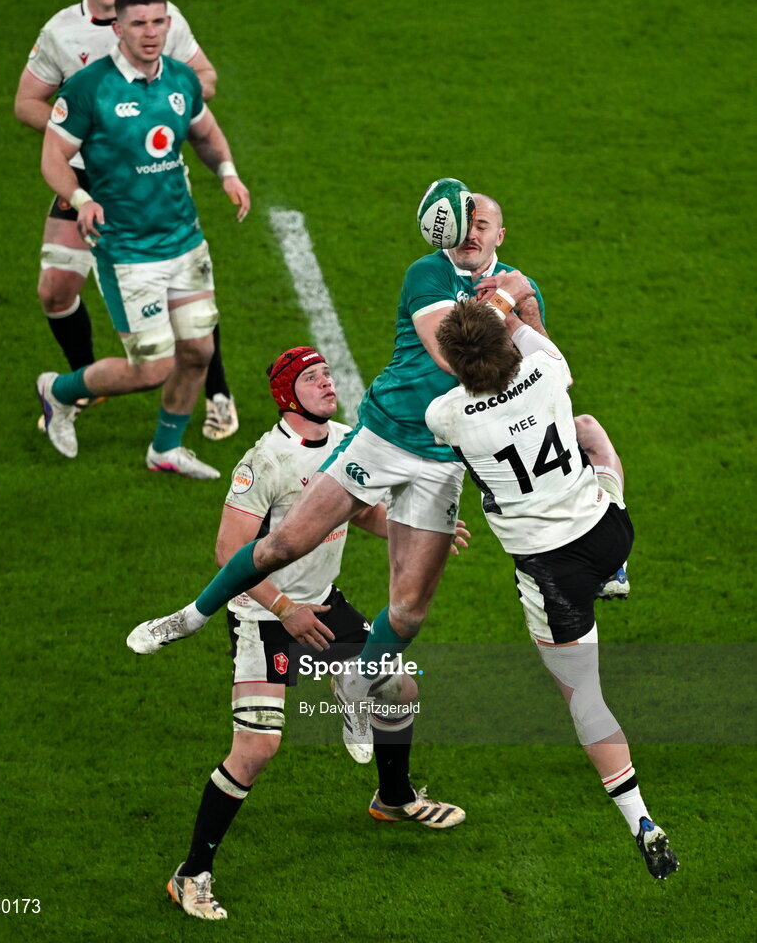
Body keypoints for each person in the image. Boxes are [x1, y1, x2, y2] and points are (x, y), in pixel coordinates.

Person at [126, 192, 540, 756]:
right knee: (285, 543)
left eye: (482, 224)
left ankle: (356, 679)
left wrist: (524, 306)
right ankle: (191, 615)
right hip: (383, 435)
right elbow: (452, 357)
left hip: (444, 456)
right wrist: (504, 305)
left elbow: (541, 362)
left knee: (409, 612)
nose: (470, 232)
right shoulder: (427, 273)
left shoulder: (518, 284)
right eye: (463, 223)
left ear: (500, 235)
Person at [158, 347, 465, 920]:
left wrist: (419, 526)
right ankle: (191, 874)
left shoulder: (351, 438)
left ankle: (393, 798)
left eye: (327, 374)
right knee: (256, 749)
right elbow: (230, 552)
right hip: (264, 619)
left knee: (399, 688)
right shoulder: (263, 461)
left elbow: (361, 509)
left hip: (324, 608)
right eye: (313, 377)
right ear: (285, 394)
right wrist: (283, 607)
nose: (328, 382)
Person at [423, 295, 679, 879]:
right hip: (609, 532)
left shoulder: (448, 415)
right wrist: (507, 302)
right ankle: (616, 575)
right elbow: (531, 337)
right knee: (589, 429)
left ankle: (641, 819)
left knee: (583, 695)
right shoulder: (543, 371)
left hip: (552, 575)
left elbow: (451, 391)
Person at [15, 0, 239, 442]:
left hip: (149, 180)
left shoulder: (160, 17)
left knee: (184, 277)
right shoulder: (60, 33)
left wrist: (163, 102)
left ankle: (218, 393)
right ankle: (82, 383)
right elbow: (25, 102)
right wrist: (89, 126)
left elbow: (205, 77)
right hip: (88, 180)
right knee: (54, 290)